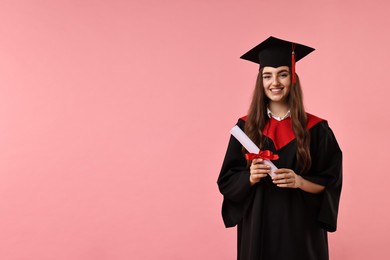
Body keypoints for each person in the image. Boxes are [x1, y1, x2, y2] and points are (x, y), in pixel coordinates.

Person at [217, 36, 342, 260]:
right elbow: (227, 180)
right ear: (261, 81)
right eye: (267, 76)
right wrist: (250, 177)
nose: (275, 82)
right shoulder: (246, 128)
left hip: (301, 230)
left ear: (293, 77)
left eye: (282, 74)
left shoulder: (317, 129)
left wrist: (300, 181)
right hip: (258, 227)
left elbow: (330, 181)